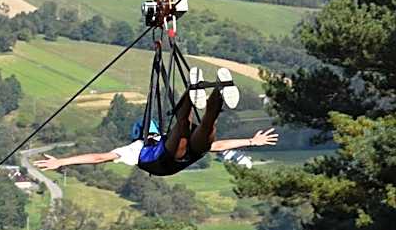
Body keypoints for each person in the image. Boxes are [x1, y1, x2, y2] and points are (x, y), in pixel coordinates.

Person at [33, 67, 279, 176]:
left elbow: (218, 145)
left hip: (176, 157)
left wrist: (251, 141)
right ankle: (196, 94)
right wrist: (62, 161)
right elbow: (98, 158)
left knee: (204, 128)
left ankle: (218, 90)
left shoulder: (141, 145)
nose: (151, 135)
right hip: (165, 160)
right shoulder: (134, 148)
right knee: (186, 128)